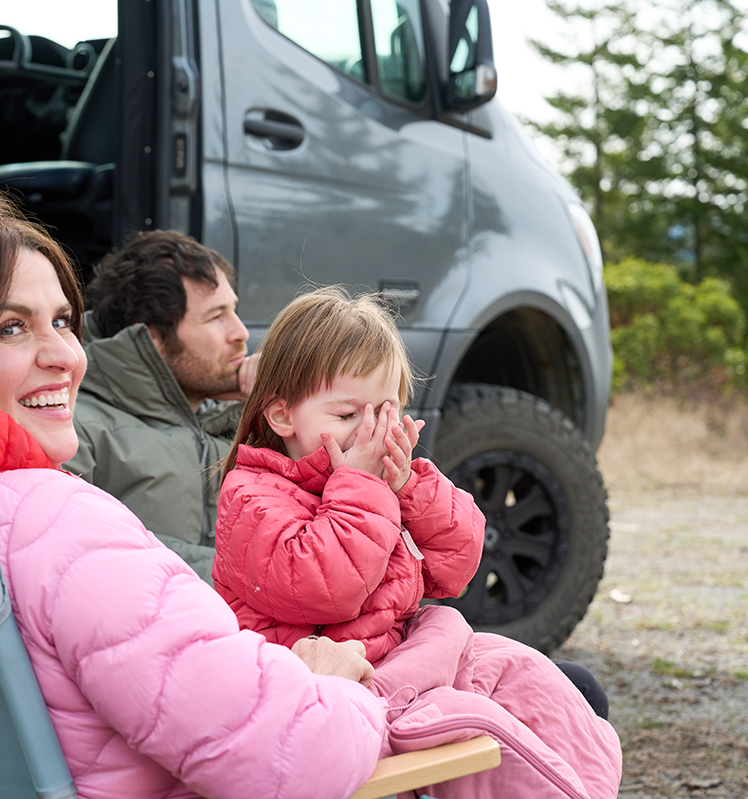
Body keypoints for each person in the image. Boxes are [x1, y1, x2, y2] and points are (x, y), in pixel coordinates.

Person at [0, 193, 386, 799]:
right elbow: (292, 759)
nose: (64, 356)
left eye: (61, 321)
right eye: (11, 329)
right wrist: (326, 686)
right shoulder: (53, 522)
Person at [214, 287, 623, 798]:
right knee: (486, 736)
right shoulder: (252, 495)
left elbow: (456, 568)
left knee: (560, 686)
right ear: (281, 417)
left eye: (384, 411)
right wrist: (361, 488)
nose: (369, 431)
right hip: (342, 684)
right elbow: (326, 590)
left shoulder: (382, 481)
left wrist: (411, 487)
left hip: (409, 655)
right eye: (345, 417)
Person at [64, 231, 254, 582]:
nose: (241, 332)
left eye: (234, 311)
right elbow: (80, 552)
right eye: (216, 317)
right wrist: (252, 583)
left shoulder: (232, 415)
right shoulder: (75, 428)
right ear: (152, 341)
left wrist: (283, 400)